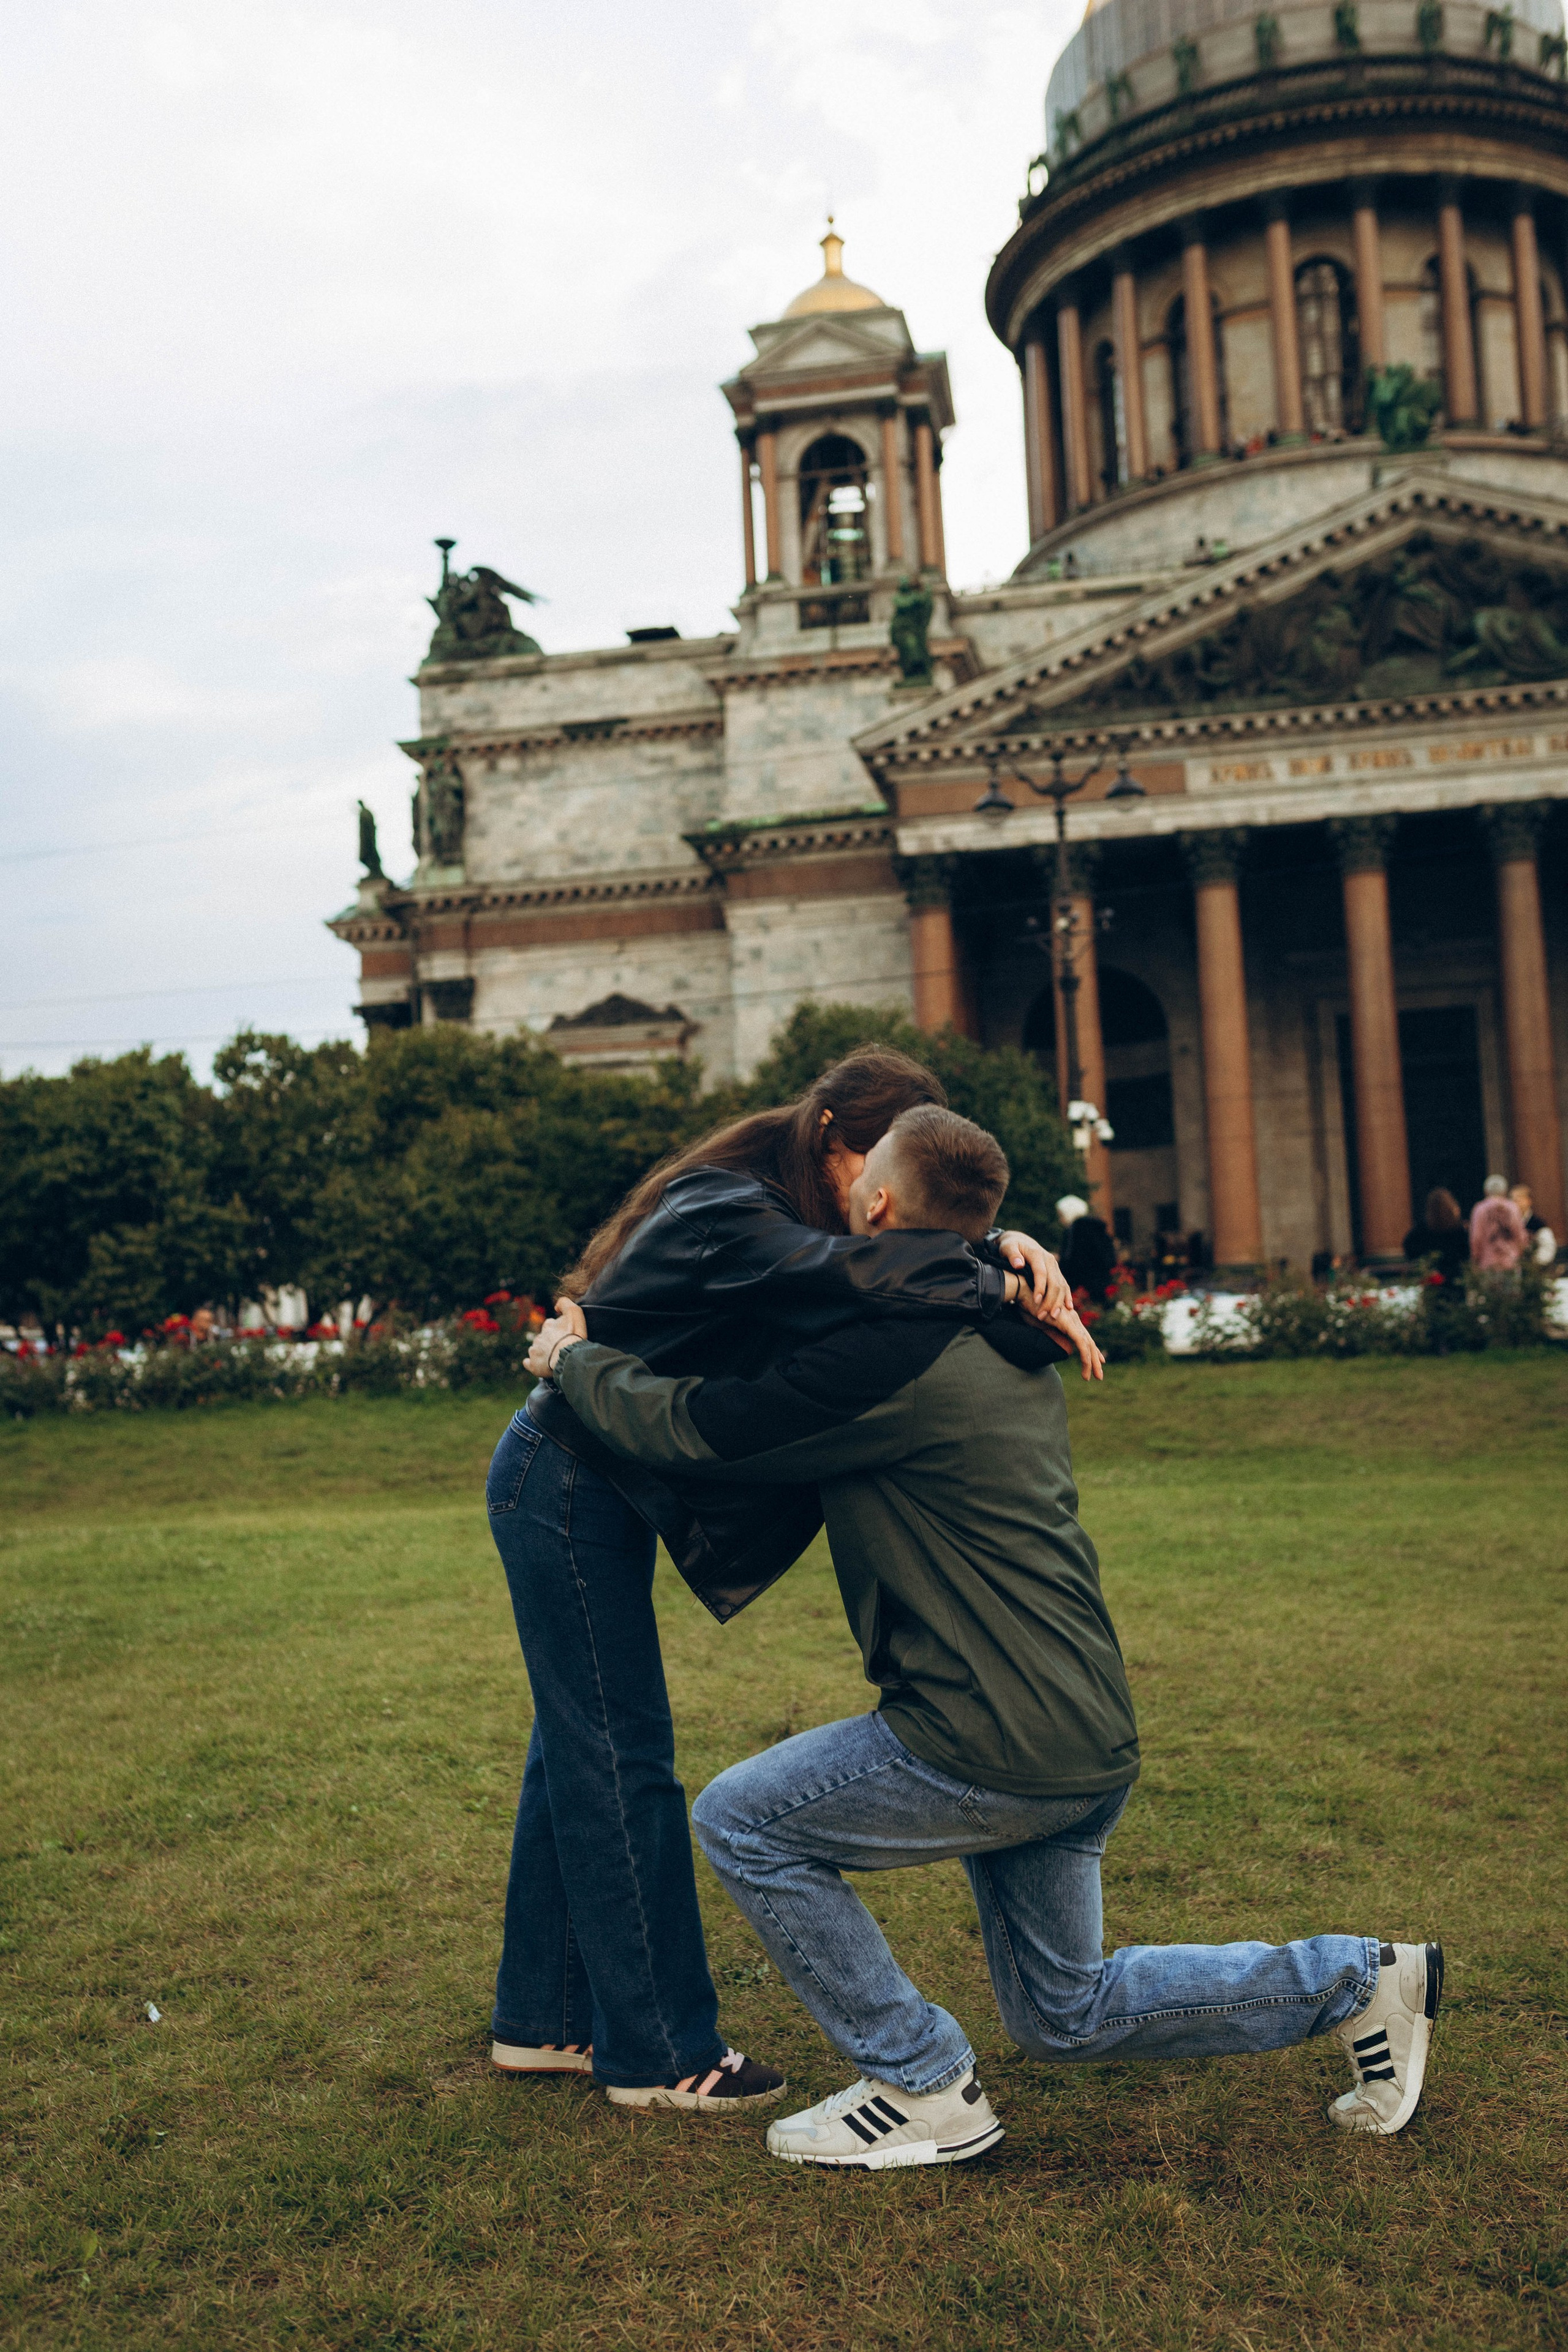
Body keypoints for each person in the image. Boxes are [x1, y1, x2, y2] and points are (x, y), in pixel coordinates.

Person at [533, 1104, 1442, 2169]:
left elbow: (699, 1431)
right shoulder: (1012, 1336)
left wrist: (574, 1360)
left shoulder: (891, 1363)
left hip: (987, 1737)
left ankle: (920, 2083)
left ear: (878, 1203)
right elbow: (913, 1273)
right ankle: (1363, 1980)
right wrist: (1008, 1248)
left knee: (744, 1822)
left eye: (857, 1180)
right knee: (1066, 2011)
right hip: (1083, 1729)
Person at [485, 1046, 1095, 2116]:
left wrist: (1002, 1241)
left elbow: (894, 1257)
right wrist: (996, 1271)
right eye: (870, 1168)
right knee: (619, 1753)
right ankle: (659, 2053)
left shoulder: (832, 1217)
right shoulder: (727, 1209)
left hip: (606, 1470)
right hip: (570, 1470)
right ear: (828, 1139)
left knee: (579, 1742)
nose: (877, 1202)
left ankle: (544, 2020)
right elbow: (852, 1273)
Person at [1057, 1191, 1117, 1302]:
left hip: (1083, 1286)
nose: (1060, 1219)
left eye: (1061, 1215)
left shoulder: (1075, 1231)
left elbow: (1071, 1259)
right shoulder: (1096, 1227)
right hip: (1102, 1282)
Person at [1403, 1187, 1469, 1283]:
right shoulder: (1458, 1229)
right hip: (1454, 1277)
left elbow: (1408, 1245)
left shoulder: (1423, 1229)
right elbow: (1466, 1253)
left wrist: (1421, 1263)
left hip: (1430, 1277)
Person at [1469, 1175, 1528, 1273]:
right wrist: (1521, 1255)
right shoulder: (1513, 1208)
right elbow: (1520, 1236)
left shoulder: (1480, 1209)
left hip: (1488, 1263)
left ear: (1486, 1191)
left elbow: (1476, 1237)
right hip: (1511, 1262)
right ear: (1505, 1191)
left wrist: (1475, 1259)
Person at [1510, 1183, 1559, 1268]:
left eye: (1519, 1200)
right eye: (1513, 1200)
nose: (1515, 1204)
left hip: (1533, 1267)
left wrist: (1536, 1263)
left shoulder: (1538, 1224)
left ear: (1528, 1201)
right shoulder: (1508, 1224)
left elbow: (1548, 1247)